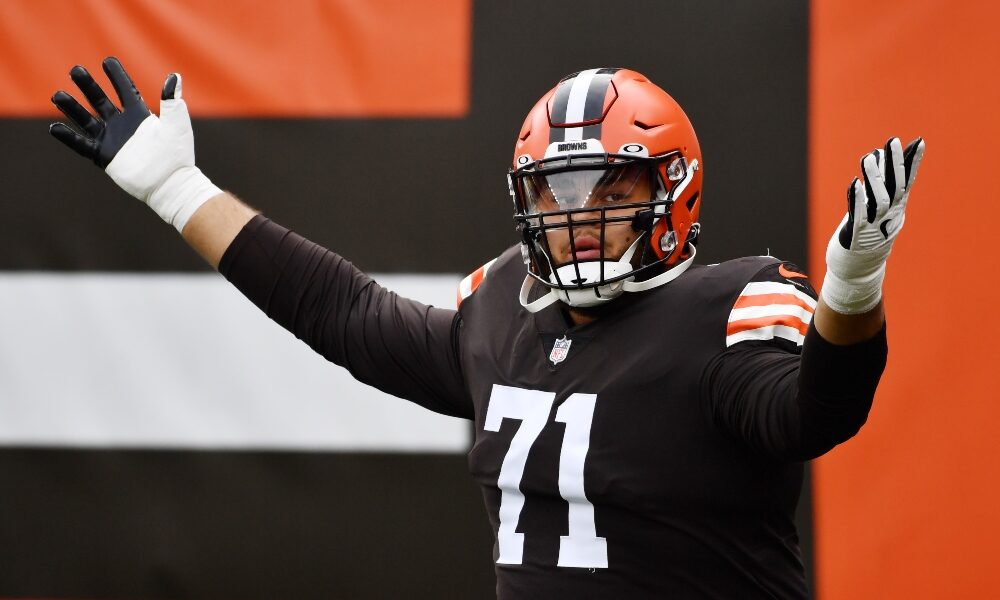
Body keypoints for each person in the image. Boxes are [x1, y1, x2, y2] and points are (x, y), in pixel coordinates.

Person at [49, 58, 923, 599]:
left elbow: (814, 413)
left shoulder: (727, 307)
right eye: (554, 192)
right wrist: (177, 190)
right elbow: (344, 313)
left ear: (670, 198)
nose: (576, 219)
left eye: (609, 191)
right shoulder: (504, 308)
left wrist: (852, 288)